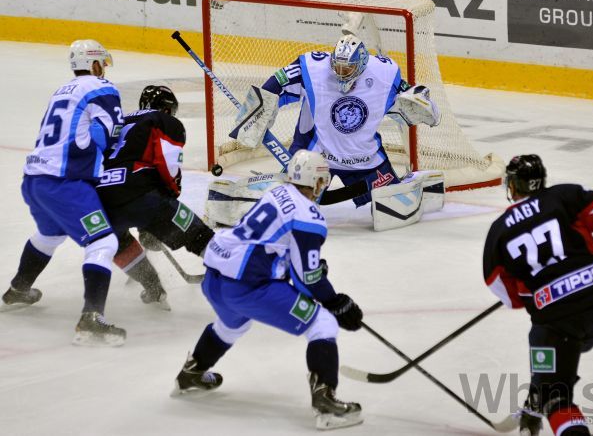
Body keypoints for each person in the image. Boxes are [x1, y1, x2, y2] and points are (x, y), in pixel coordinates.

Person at [171, 150, 364, 430]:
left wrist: (305, 268)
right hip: (247, 286)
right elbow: (306, 279)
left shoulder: (277, 192)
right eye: (322, 180)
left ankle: (192, 373)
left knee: (231, 326)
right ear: (317, 182)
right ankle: (327, 405)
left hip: (214, 278)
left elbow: (272, 246)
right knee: (322, 323)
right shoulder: (309, 217)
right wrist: (335, 301)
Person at [482, 155, 593, 436]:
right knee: (554, 353)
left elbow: (509, 297)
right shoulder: (565, 196)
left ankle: (542, 398)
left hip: (558, 324)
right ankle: (533, 406)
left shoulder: (499, 231)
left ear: (514, 186)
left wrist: (535, 287)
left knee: (557, 393)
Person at [2, 39, 126, 346]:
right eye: (103, 64)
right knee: (103, 241)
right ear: (96, 64)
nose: (104, 69)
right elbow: (107, 134)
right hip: (65, 182)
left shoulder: (62, 91)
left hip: (34, 180)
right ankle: (91, 318)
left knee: (49, 234)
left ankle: (19, 288)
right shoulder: (102, 88)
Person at [230, 34, 441, 207]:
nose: (340, 73)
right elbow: (279, 81)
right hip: (314, 158)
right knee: (289, 206)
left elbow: (407, 94)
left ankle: (412, 182)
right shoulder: (314, 68)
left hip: (365, 159)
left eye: (346, 69)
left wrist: (421, 102)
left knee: (395, 203)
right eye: (337, 67)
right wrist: (258, 109)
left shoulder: (383, 74)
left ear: (361, 65)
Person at [98, 85, 215, 310]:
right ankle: (231, 273)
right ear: (167, 109)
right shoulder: (164, 121)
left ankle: (153, 288)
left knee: (120, 241)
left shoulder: (118, 121)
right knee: (198, 233)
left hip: (103, 202)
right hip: (143, 198)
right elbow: (167, 167)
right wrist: (167, 204)